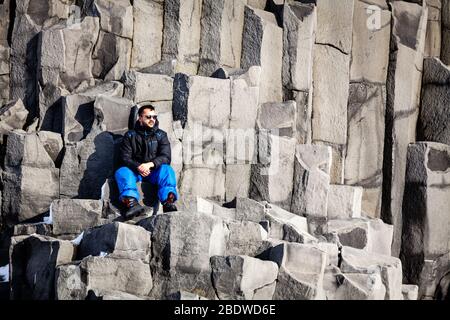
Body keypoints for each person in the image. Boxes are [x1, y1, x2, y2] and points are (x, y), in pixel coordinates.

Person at [115, 104, 178, 219]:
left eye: (154, 117)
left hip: (153, 172)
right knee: (121, 172)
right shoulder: (130, 135)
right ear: (140, 118)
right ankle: (132, 204)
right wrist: (138, 166)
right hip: (135, 172)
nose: (152, 120)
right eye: (148, 117)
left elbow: (166, 157)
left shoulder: (161, 135)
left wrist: (150, 164)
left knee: (167, 170)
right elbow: (125, 157)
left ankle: (168, 201)